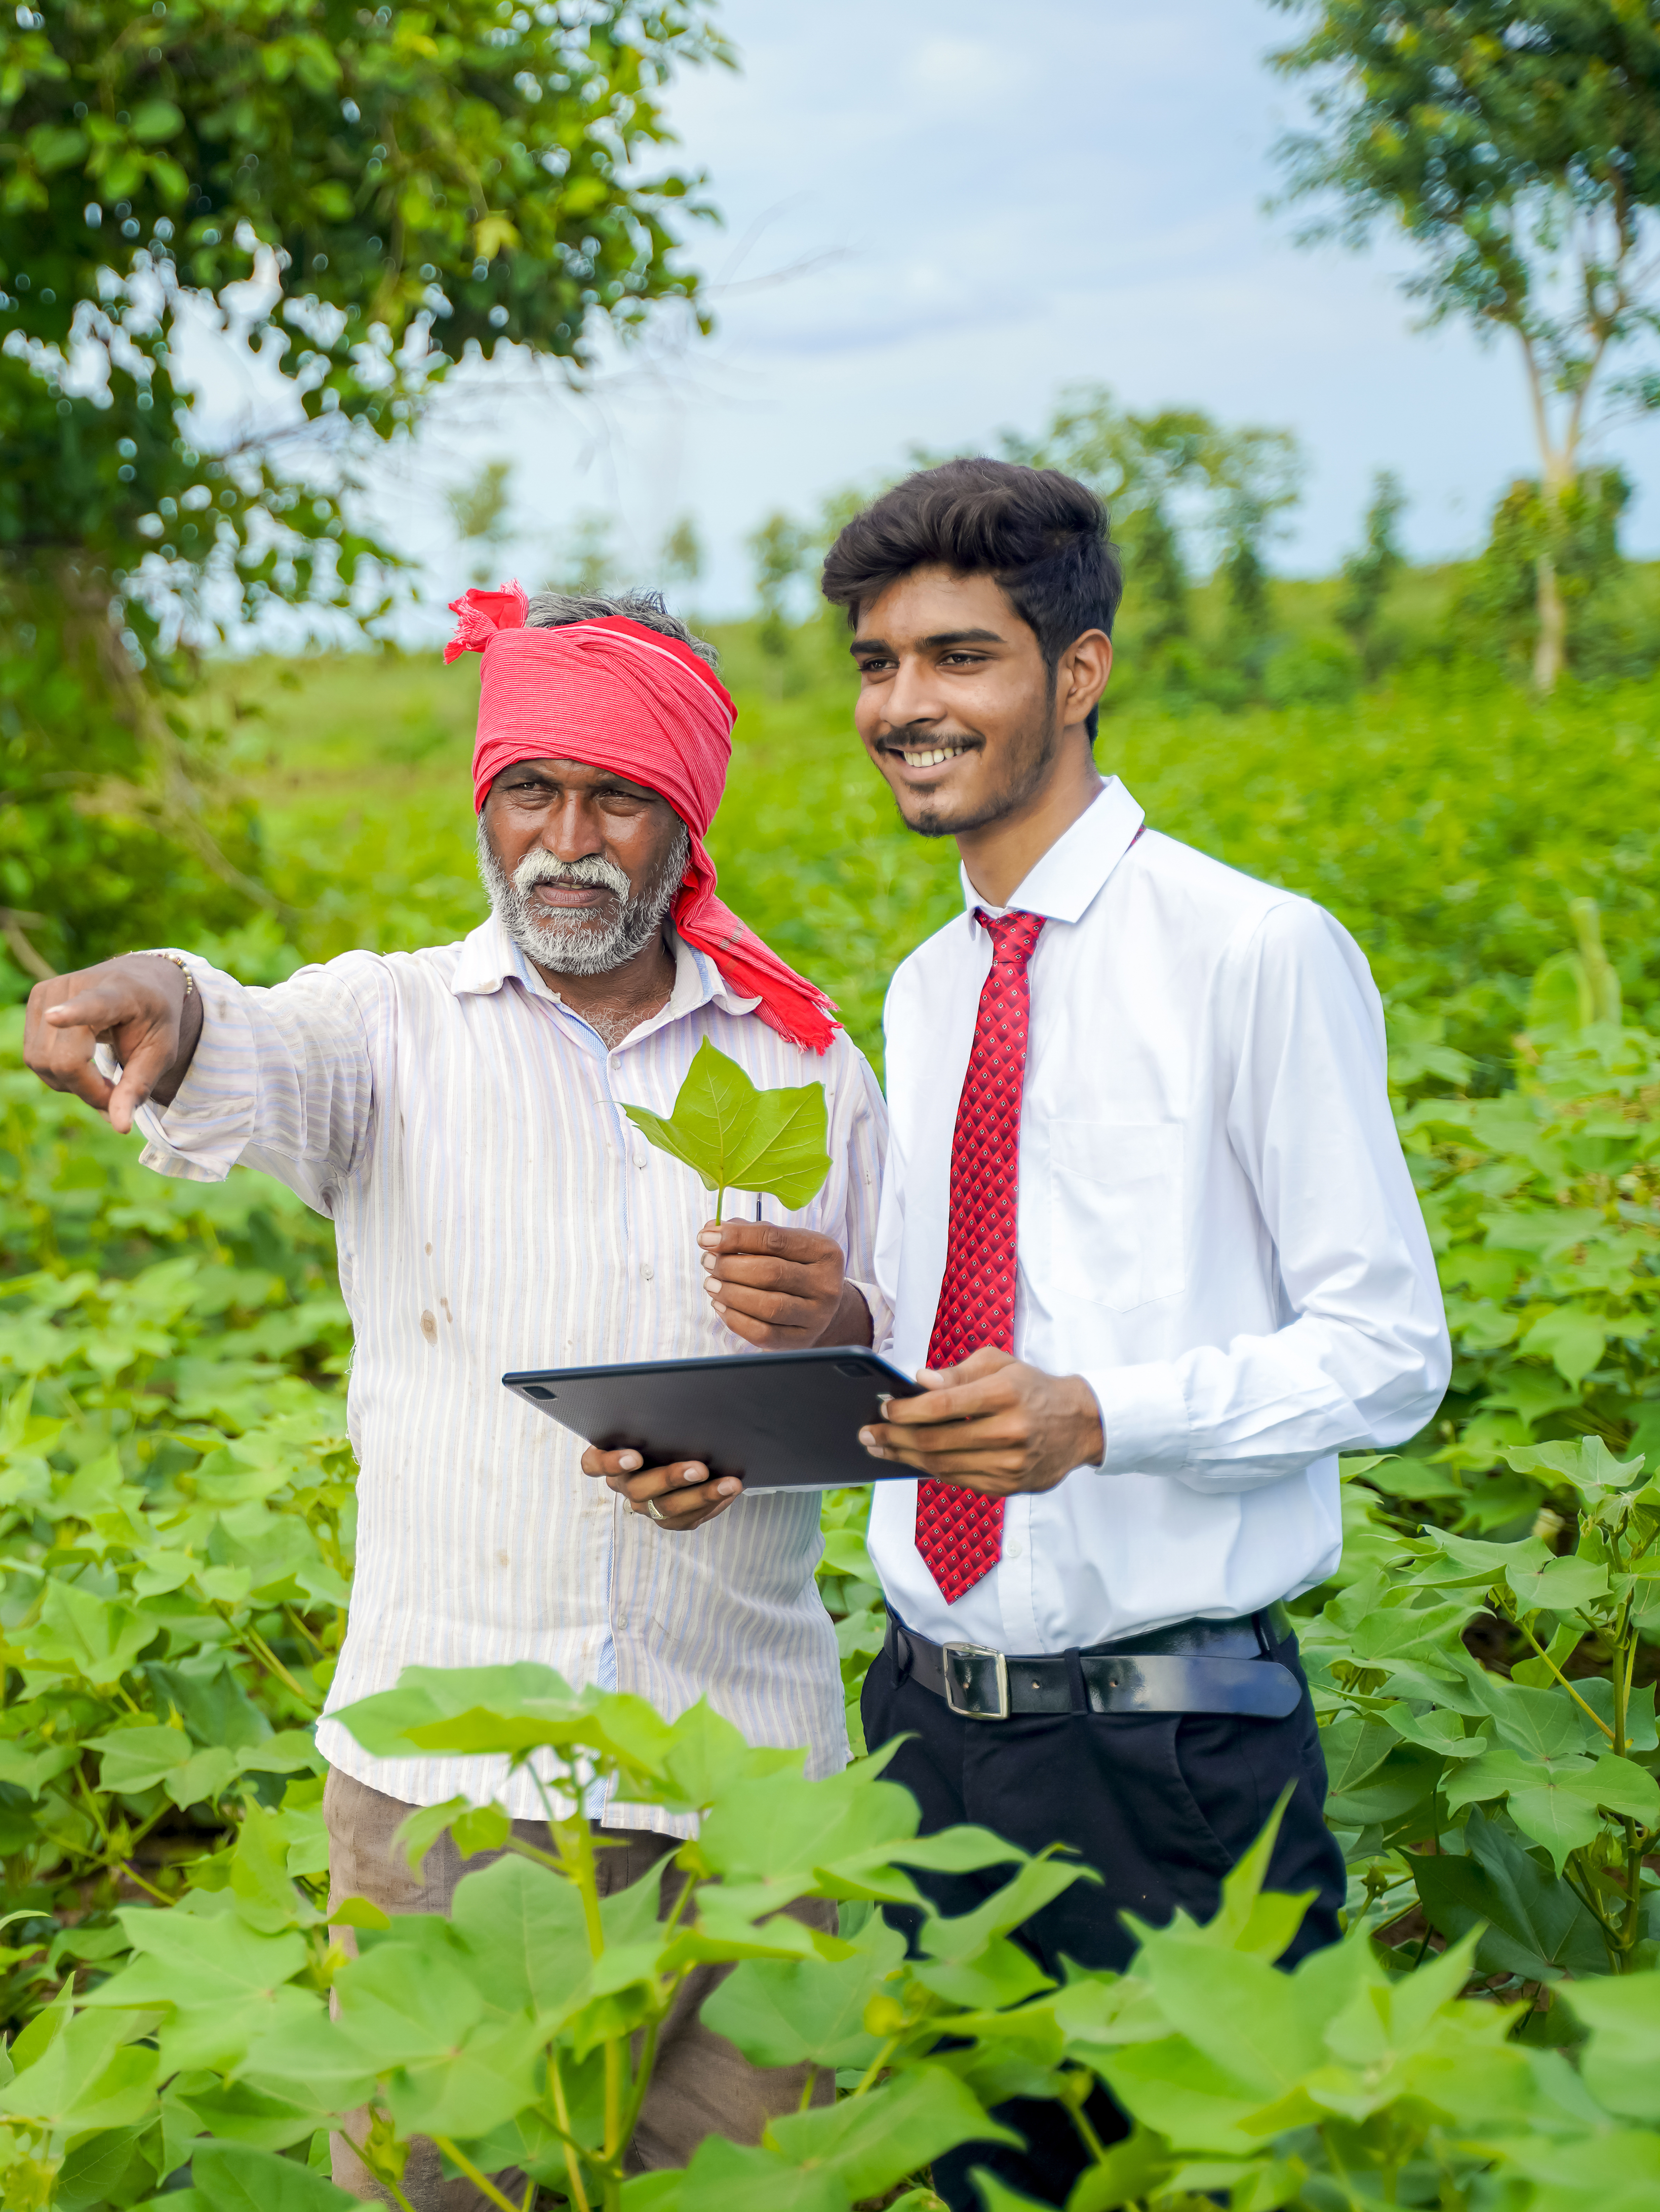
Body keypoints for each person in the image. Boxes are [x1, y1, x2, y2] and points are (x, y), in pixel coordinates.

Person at [601, 458, 1451, 2200]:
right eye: (878, 664)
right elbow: (950, 1332)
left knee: (1213, 2183)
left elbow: (1389, 1353)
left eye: (959, 659)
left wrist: (1098, 1419)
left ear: (1079, 672)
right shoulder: (929, 986)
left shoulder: (1255, 954)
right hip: (924, 1735)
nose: (905, 706)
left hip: (1172, 1755)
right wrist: (832, 1328)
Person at [21, 586, 887, 2203]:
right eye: (528, 792)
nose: (567, 840)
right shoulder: (388, 1026)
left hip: (748, 1779)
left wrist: (827, 1325)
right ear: (485, 805)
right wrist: (168, 996)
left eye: (617, 797)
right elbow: (244, 1051)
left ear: (684, 818)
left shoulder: (806, 1063)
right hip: (452, 1801)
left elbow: (891, 1377)